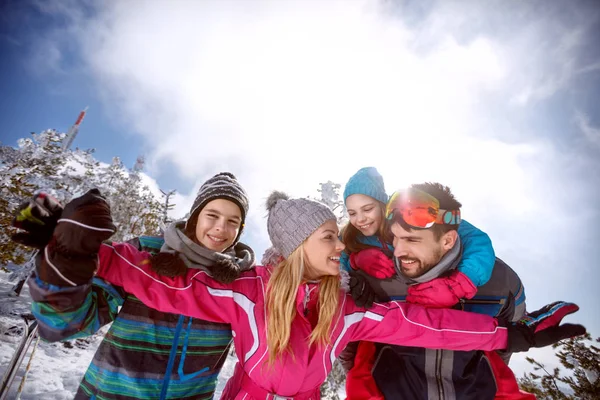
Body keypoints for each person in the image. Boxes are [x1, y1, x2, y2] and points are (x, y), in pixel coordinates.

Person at [14, 188, 585, 399]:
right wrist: (80, 251)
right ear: (294, 249)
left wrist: (508, 332)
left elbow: (420, 323)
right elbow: (163, 285)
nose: (342, 246)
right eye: (329, 237)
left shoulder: (349, 308)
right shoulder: (244, 293)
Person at [13, 173, 255, 400]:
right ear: (195, 217)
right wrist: (65, 265)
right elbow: (68, 324)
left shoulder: (238, 284)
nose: (221, 228)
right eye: (212, 215)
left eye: (233, 221)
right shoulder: (144, 252)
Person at [343, 183, 538, 400]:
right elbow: (345, 344)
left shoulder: (499, 281)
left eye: (411, 239)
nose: (397, 251)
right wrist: (351, 266)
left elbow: (508, 342)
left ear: (447, 240)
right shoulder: (376, 280)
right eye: (394, 238)